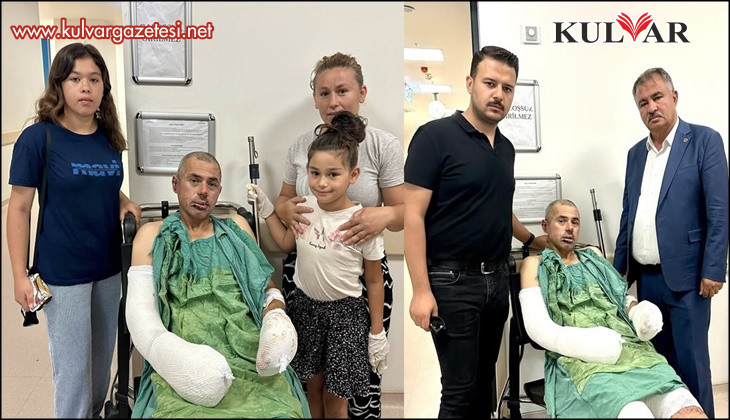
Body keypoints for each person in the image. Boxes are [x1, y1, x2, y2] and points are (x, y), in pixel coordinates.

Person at [403, 45, 546, 417]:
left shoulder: (506, 149)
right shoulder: (434, 137)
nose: (499, 94)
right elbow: (412, 216)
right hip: (452, 282)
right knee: (459, 392)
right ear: (470, 83)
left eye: (507, 88)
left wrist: (532, 240)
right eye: (490, 83)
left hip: (496, 282)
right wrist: (421, 290)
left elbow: (497, 207)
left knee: (485, 386)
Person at [6, 42, 141, 418]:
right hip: (63, 273)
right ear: (59, 85)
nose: (85, 87)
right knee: (73, 375)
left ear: (103, 88)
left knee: (99, 371)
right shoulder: (39, 138)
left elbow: (100, 182)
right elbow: (19, 209)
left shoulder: (109, 137)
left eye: (94, 79)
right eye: (75, 78)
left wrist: (123, 200)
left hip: (108, 269)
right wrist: (19, 276)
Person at [125, 151, 309, 418]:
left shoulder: (236, 227)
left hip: (249, 354)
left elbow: (265, 287)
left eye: (211, 184)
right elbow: (141, 315)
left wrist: (276, 316)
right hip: (184, 356)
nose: (203, 191)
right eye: (194, 180)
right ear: (176, 184)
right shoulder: (151, 234)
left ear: (218, 191)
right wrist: (178, 359)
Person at [273, 51, 403, 419]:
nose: (334, 102)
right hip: (305, 274)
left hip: (360, 277)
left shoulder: (382, 145)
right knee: (308, 376)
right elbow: (284, 201)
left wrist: (384, 214)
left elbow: (404, 214)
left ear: (362, 93)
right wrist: (281, 209)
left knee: (353, 379)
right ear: (315, 99)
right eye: (324, 93)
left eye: (342, 91)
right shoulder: (300, 146)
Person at [249, 110, 389, 418]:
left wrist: (377, 333)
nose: (322, 183)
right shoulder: (304, 207)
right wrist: (269, 210)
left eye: (333, 174)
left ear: (353, 174)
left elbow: (374, 280)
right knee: (310, 389)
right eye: (315, 173)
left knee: (334, 397)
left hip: (346, 316)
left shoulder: (361, 221)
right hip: (306, 309)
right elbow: (286, 244)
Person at [519, 199, 707, 418]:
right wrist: (594, 344)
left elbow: (620, 297)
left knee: (687, 407)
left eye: (575, 222)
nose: (570, 228)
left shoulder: (593, 257)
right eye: (562, 221)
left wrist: (639, 313)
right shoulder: (534, 265)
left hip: (631, 350)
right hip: (581, 361)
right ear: (545, 226)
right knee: (635, 412)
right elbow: (539, 329)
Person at [613, 67, 728, 417]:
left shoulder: (704, 141)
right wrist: (616, 277)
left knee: (693, 367)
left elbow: (719, 210)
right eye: (642, 103)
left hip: (689, 280)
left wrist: (714, 269)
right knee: (659, 368)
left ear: (674, 98)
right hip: (647, 281)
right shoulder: (635, 153)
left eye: (657, 97)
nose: (651, 107)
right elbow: (628, 216)